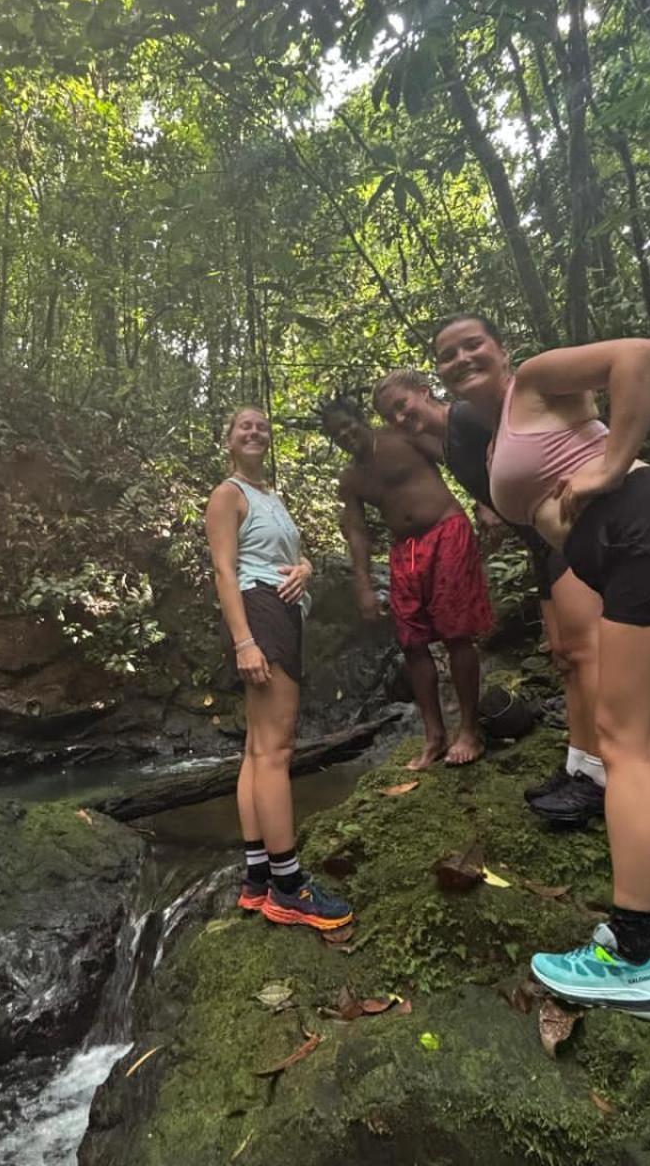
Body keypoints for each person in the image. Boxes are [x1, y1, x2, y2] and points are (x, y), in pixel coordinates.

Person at [431, 313, 650, 1025]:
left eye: (473, 345)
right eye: (447, 356)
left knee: (625, 749)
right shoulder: (495, 438)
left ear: (503, 348)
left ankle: (632, 955)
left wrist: (612, 462)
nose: (462, 359)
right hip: (649, 549)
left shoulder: (537, 380)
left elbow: (641, 355)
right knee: (648, 752)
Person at [374, 367, 605, 824]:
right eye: (391, 415)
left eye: (404, 405)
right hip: (536, 538)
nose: (400, 417)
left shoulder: (464, 418)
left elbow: (527, 437)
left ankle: (601, 777)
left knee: (583, 653)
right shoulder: (438, 443)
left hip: (562, 528)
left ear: (425, 392)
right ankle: (579, 766)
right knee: (563, 655)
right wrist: (486, 500)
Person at [205, 405, 353, 931]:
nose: (254, 431)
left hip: (281, 610)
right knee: (277, 750)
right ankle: (290, 888)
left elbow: (288, 556)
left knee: (256, 748)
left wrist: (307, 569)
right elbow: (225, 570)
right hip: (259, 614)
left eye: (262, 426)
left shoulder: (270, 497)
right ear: (228, 440)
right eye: (243, 425)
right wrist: (245, 641)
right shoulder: (228, 495)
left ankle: (257, 878)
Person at [320, 395, 492, 769]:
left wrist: (485, 502)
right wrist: (363, 585)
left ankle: (469, 730)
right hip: (406, 550)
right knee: (411, 642)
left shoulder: (402, 437)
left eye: (349, 425)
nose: (346, 435)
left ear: (360, 419)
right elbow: (358, 532)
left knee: (455, 633)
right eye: (337, 434)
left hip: (447, 529)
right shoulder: (351, 478)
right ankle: (434, 736)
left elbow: (457, 459)